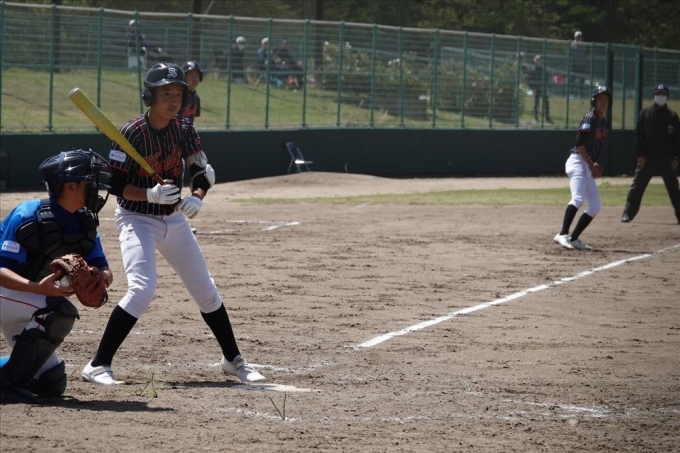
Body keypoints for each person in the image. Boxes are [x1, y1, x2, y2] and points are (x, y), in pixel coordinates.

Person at [81, 63, 265, 386]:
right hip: (137, 218)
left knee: (205, 289)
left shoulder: (184, 128)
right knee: (142, 289)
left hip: (173, 217)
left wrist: (197, 196)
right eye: (166, 93)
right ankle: (97, 365)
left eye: (178, 94)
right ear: (150, 96)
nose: (173, 100)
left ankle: (233, 360)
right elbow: (117, 186)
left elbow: (202, 171)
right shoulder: (130, 133)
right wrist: (149, 194)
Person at [0, 149, 113, 404]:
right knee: (59, 311)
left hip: (26, 301)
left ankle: (10, 375)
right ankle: (5, 385)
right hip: (8, 291)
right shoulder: (28, 215)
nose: (97, 188)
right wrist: (36, 288)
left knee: (51, 382)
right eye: (90, 181)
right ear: (70, 186)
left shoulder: (84, 222)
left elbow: (104, 268)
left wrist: (101, 278)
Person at [553, 86, 612, 250]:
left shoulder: (604, 123)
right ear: (594, 102)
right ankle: (562, 234)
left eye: (606, 100)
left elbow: (594, 147)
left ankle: (573, 239)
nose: (603, 103)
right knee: (578, 198)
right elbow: (579, 145)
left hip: (587, 163)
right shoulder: (589, 118)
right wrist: (591, 165)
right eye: (599, 99)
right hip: (577, 161)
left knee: (595, 206)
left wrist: (594, 163)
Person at [621, 84, 680, 224]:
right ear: (654, 95)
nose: (661, 96)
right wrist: (640, 155)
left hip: (666, 159)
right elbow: (638, 137)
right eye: (658, 93)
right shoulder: (645, 114)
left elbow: (677, 140)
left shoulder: (672, 116)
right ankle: (628, 213)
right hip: (647, 158)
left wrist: (676, 158)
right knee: (637, 187)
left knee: (674, 188)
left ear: (667, 96)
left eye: (663, 94)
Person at [527, 55, 552, 123]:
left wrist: (546, 86)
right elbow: (529, 80)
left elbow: (547, 78)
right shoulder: (532, 69)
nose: (538, 61)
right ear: (534, 61)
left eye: (539, 60)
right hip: (536, 89)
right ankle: (536, 118)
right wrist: (532, 88)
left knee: (546, 103)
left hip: (543, 88)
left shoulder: (543, 70)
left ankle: (547, 118)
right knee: (536, 103)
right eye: (537, 60)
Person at [181, 61, 202, 125]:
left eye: (196, 75)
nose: (194, 78)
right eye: (191, 74)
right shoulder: (180, 96)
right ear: (184, 77)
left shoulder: (196, 98)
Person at [570, 31, 587, 98]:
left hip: (582, 66)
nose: (578, 38)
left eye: (579, 36)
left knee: (581, 82)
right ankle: (571, 95)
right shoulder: (572, 45)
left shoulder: (583, 45)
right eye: (577, 36)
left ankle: (581, 95)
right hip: (574, 66)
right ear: (575, 37)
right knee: (572, 81)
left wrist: (584, 64)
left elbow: (585, 56)